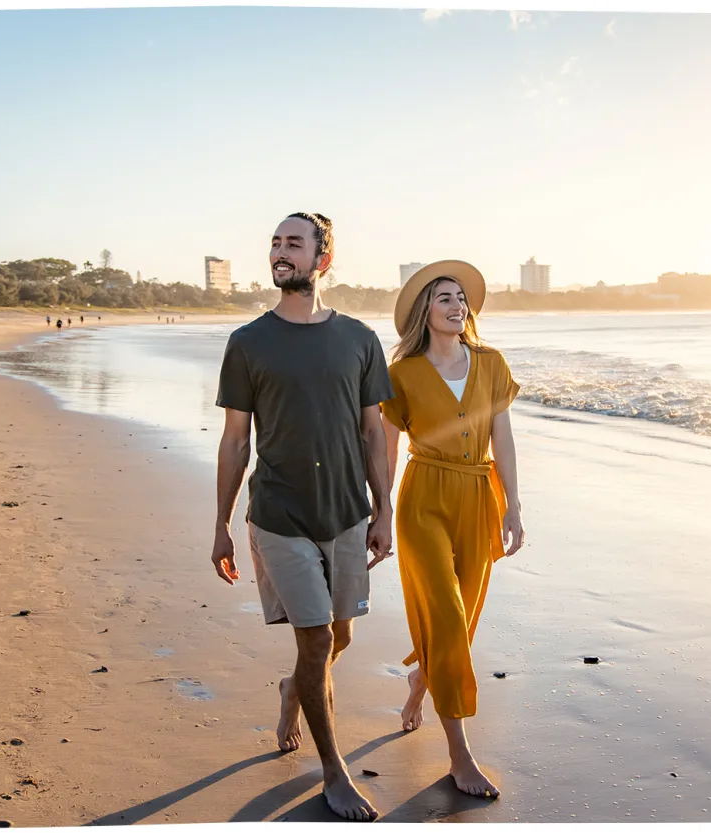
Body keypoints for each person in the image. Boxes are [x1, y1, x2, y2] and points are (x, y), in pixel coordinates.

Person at [213, 212, 392, 822]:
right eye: (275, 243)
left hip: (345, 513)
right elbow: (236, 440)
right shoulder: (248, 342)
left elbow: (374, 433)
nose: (280, 252)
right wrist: (221, 525)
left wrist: (383, 511)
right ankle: (333, 772)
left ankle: (294, 690)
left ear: (323, 259)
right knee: (315, 638)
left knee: (337, 637)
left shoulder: (360, 340)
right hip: (279, 515)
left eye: (293, 242)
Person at [379, 261, 525, 800]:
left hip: (477, 495)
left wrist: (513, 505)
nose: (457, 305)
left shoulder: (491, 364)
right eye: (444, 297)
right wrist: (378, 512)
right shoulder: (403, 374)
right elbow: (387, 449)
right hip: (422, 500)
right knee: (444, 609)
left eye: (461, 297)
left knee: (462, 619)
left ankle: (423, 681)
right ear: (425, 310)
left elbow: (502, 440)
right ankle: (459, 751)